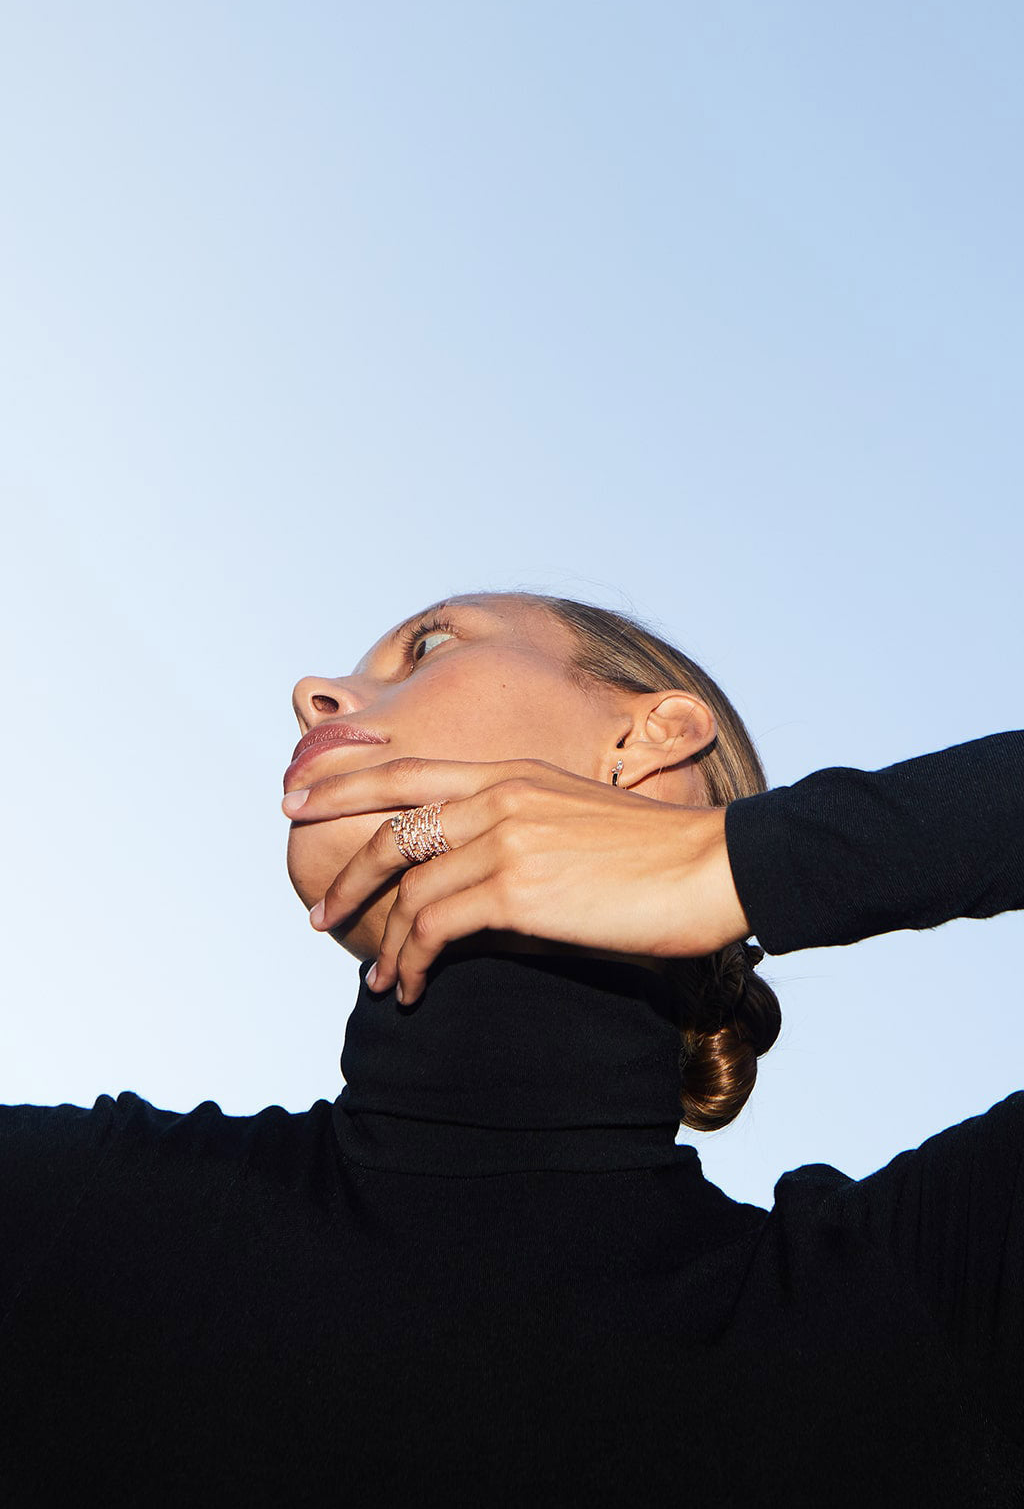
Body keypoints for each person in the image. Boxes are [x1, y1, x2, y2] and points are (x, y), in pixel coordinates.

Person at [1, 590, 1021, 1508]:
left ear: (648, 738)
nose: (314, 691)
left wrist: (737, 861)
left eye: (429, 642)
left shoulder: (896, 1309)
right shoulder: (71, 1210)